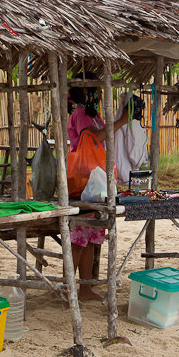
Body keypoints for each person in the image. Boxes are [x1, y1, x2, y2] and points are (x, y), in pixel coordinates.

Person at [67, 72, 128, 301]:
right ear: (86, 91)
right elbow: (94, 139)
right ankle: (68, 289)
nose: (100, 93)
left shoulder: (92, 114)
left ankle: (84, 289)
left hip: (95, 182)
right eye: (97, 89)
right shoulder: (82, 113)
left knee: (90, 238)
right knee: (79, 240)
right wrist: (121, 122)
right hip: (85, 183)